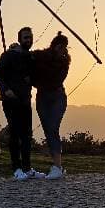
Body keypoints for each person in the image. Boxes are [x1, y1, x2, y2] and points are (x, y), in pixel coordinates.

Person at [0, 27, 45, 181]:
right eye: (25, 38)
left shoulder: (30, 57)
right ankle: (16, 169)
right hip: (11, 100)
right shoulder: (9, 55)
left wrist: (31, 80)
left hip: (25, 100)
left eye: (30, 37)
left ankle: (27, 169)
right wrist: (5, 89)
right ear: (20, 39)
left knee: (27, 134)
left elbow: (34, 77)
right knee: (15, 134)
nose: (28, 40)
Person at [32, 31, 71, 180]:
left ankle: (57, 166)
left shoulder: (64, 62)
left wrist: (39, 75)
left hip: (57, 96)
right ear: (55, 45)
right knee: (48, 130)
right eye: (61, 46)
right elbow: (35, 73)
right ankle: (56, 165)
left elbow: (55, 79)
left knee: (53, 129)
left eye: (65, 47)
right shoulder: (40, 56)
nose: (63, 49)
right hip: (42, 96)